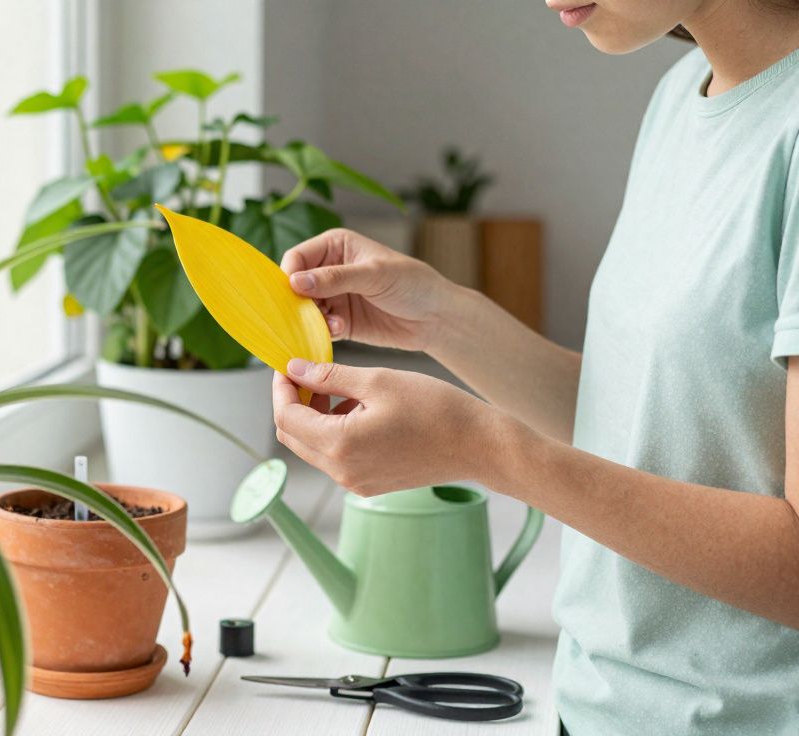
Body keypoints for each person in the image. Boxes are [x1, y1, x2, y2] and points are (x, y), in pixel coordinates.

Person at [270, 1, 799, 733]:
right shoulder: (683, 94)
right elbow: (649, 425)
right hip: (591, 707)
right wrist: (440, 317)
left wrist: (486, 450)